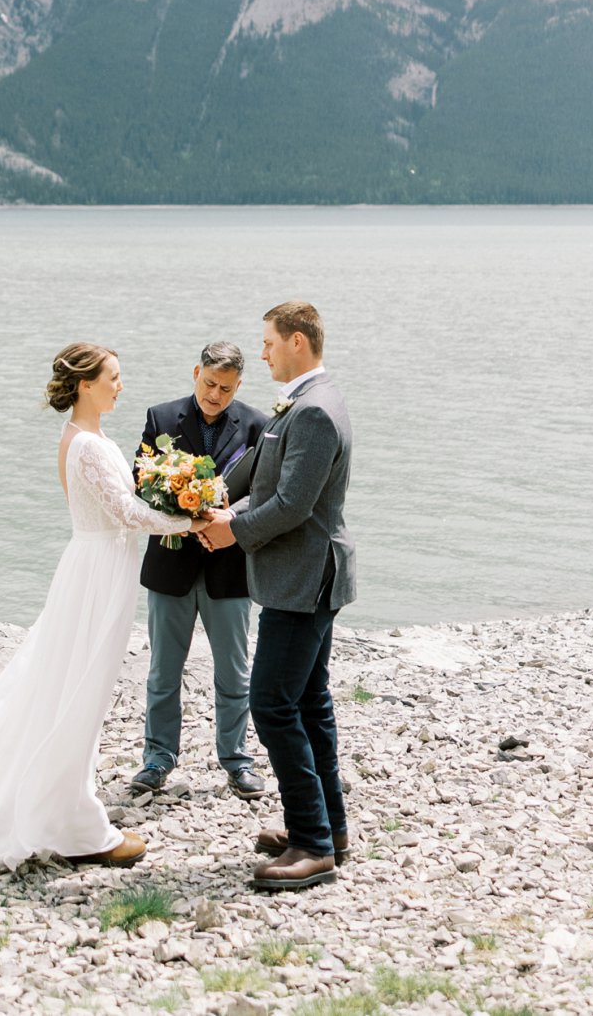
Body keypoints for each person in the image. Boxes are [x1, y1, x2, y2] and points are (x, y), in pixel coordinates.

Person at [0, 342, 192, 870]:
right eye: (113, 377)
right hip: (97, 574)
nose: (121, 385)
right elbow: (123, 511)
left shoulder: (82, 437)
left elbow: (119, 507)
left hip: (97, 568)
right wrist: (192, 520)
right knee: (80, 694)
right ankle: (79, 828)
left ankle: (62, 811)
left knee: (75, 690)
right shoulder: (88, 446)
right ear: (85, 385)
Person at [196, 300, 355, 893]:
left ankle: (312, 844)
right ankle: (327, 828)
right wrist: (226, 512)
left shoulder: (313, 412)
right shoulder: (310, 400)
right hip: (305, 574)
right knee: (309, 701)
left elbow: (293, 506)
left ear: (295, 341)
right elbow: (270, 485)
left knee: (272, 704)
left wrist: (231, 532)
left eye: (267, 342)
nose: (260, 353)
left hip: (305, 577)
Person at [131, 341, 268, 799]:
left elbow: (264, 491)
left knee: (234, 672)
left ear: (238, 386)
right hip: (170, 564)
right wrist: (181, 511)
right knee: (163, 672)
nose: (215, 395)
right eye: (209, 384)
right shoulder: (161, 417)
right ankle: (157, 758)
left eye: (226, 389)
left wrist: (228, 515)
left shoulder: (257, 424)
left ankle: (236, 760)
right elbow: (141, 482)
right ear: (196, 373)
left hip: (228, 568)